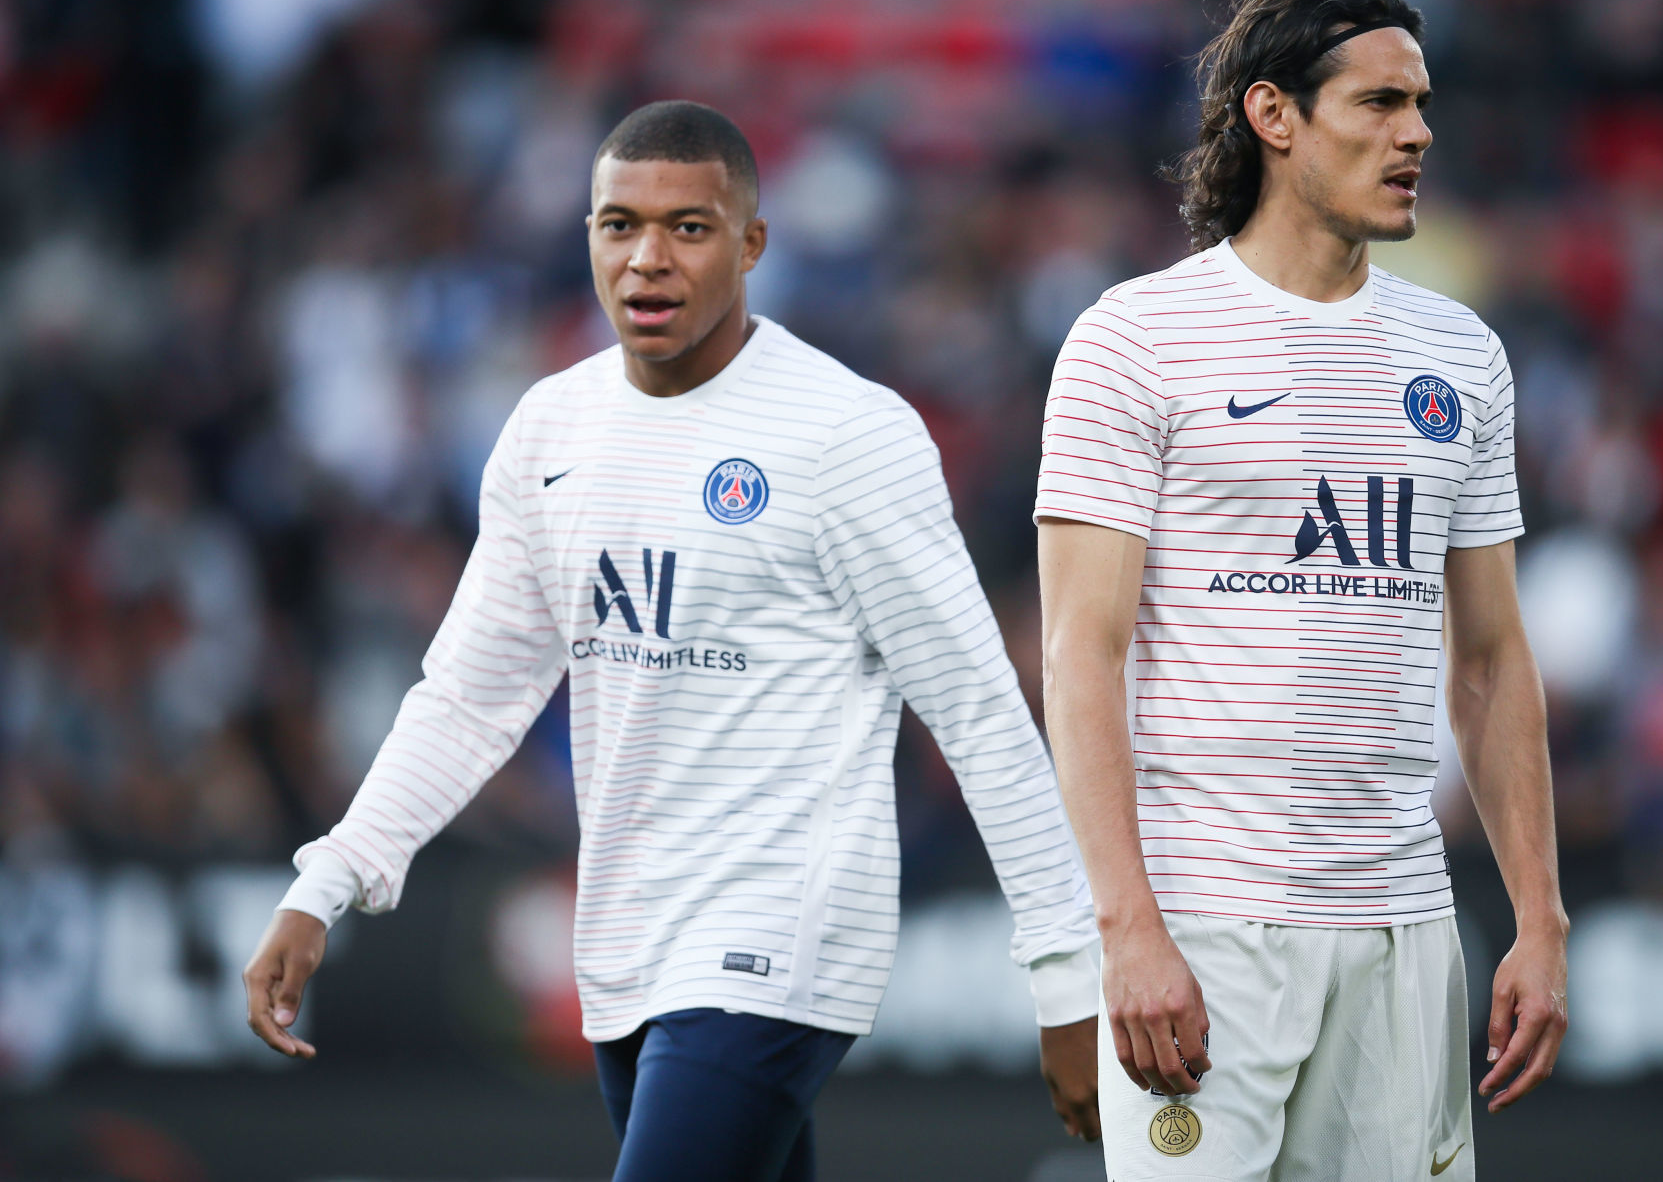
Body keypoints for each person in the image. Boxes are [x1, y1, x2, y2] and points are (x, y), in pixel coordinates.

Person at [242, 101, 1102, 1180]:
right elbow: (468, 694)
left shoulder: (846, 436)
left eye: (688, 227)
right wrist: (325, 881)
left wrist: (1066, 974)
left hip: (779, 931)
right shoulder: (550, 430)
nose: (647, 258)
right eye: (618, 225)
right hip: (629, 931)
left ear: (751, 243)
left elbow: (976, 706)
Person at [1036, 0, 1568, 1181]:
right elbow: (1080, 656)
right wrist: (1124, 932)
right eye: (1379, 103)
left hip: (1399, 925)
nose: (1417, 133)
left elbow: (1487, 658)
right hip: (1200, 920)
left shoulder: (1459, 356)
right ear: (1273, 116)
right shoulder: (1134, 339)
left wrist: (1538, 917)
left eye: (1421, 105)